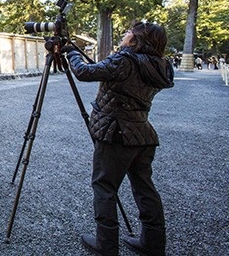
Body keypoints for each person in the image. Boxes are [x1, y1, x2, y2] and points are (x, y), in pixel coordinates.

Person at [62, 21, 174, 256]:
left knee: (104, 186)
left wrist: (71, 52)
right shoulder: (159, 65)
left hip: (116, 133)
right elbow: (104, 70)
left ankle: (106, 244)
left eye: (129, 32)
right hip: (142, 133)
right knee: (145, 187)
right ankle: (153, 243)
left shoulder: (125, 61)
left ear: (136, 40)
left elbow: (83, 72)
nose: (124, 35)